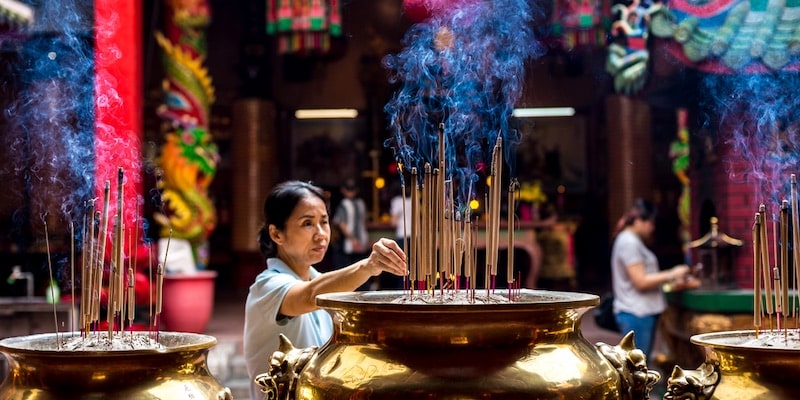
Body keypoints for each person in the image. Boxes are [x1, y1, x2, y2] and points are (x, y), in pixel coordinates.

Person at [243, 181, 407, 398]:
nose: (321, 234)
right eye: (307, 223)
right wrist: (368, 266)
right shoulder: (267, 287)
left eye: (324, 222)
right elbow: (311, 295)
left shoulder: (324, 283)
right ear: (277, 234)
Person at [610, 198, 699, 359]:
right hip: (636, 312)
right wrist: (673, 273)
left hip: (640, 311)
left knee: (640, 365)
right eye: (650, 222)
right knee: (637, 367)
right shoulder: (629, 242)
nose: (653, 228)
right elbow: (641, 281)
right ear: (638, 221)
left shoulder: (631, 240)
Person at [332, 178, 370, 287]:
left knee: (359, 267)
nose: (350, 192)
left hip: (358, 240)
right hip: (349, 242)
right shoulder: (345, 204)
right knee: (350, 267)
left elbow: (363, 222)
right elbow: (341, 223)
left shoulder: (359, 203)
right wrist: (352, 238)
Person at [382, 184, 412, 289]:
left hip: (402, 235)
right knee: (413, 266)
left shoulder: (397, 201)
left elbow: (393, 222)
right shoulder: (415, 199)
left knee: (401, 265)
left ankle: (402, 289)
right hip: (415, 236)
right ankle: (412, 289)